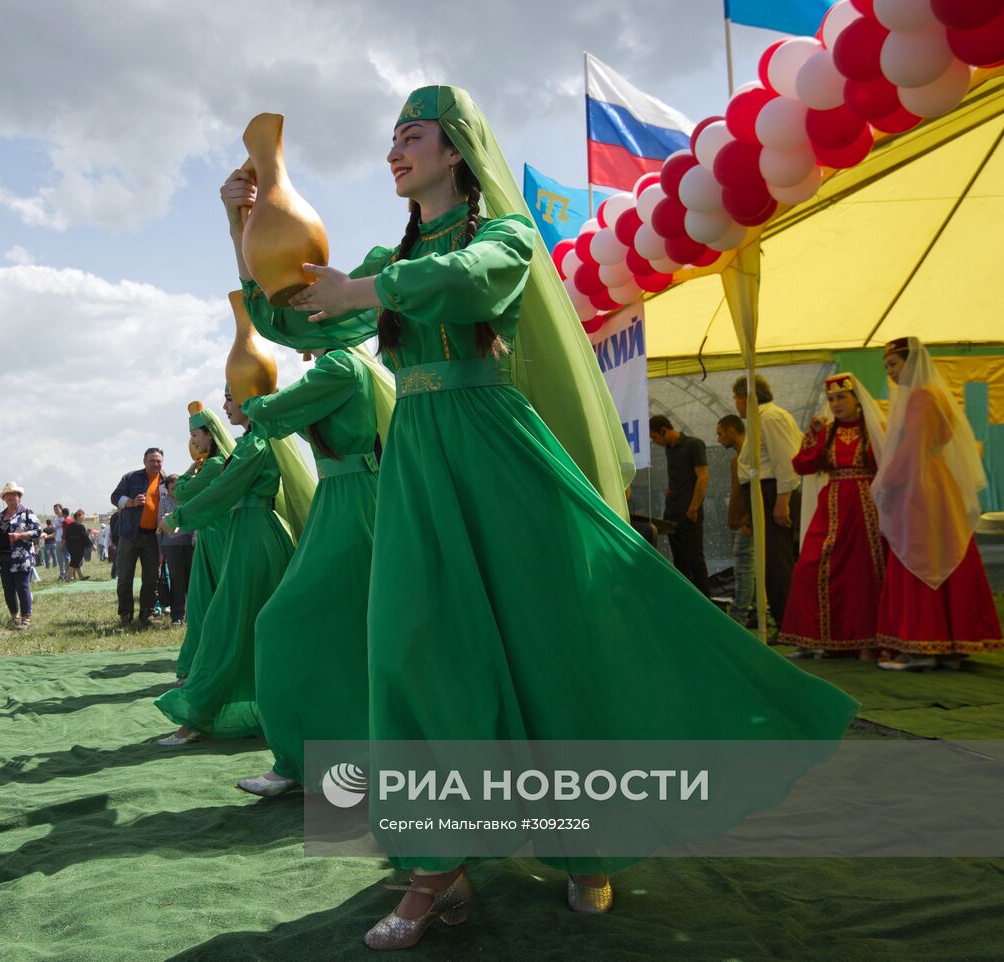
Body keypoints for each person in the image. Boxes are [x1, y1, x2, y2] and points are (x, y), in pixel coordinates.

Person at [237, 85, 858, 945]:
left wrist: (368, 287)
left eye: (410, 135)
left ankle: (589, 847)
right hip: (419, 459)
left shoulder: (507, 233)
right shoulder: (386, 258)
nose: (394, 149)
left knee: (549, 642)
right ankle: (436, 869)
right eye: (391, 137)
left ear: (455, 150)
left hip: (494, 451)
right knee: (415, 649)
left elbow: (471, 281)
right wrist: (251, 243)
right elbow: (303, 320)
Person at [228, 334, 389, 798]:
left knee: (281, 624)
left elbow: (273, 412)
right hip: (341, 503)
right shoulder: (338, 367)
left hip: (354, 506)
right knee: (348, 634)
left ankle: (300, 761)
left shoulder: (338, 366)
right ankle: (322, 759)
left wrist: (249, 398)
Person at [155, 383, 296, 746]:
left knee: (225, 626)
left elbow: (221, 491)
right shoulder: (252, 442)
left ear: (250, 398)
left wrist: (178, 518)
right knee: (247, 626)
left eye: (231, 397)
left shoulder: (253, 445)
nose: (225, 405)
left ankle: (196, 716)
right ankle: (268, 712)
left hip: (252, 539)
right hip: (247, 535)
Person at [874, 337, 1002, 670]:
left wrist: (888, 481)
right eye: (887, 366)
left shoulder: (920, 396)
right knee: (942, 552)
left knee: (918, 554)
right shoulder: (935, 395)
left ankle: (922, 646)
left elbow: (912, 448)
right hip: (936, 481)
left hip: (920, 484)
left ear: (911, 363)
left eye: (893, 364)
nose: (890, 372)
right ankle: (947, 644)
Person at [779, 375, 888, 660]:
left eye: (842, 397)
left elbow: (888, 467)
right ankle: (815, 637)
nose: (836, 404)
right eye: (831, 399)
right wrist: (812, 437)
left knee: (860, 575)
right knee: (808, 567)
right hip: (832, 507)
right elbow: (803, 466)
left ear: (857, 400)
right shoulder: (825, 432)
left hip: (865, 510)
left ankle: (866, 642)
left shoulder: (874, 430)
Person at [171, 404, 237, 681]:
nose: (192, 440)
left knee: (206, 604)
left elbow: (182, 492)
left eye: (196, 434)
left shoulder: (211, 466)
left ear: (210, 435)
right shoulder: (219, 463)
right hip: (217, 536)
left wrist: (190, 467)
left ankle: (199, 668)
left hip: (217, 539)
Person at [733, 374, 803, 630]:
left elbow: (785, 460)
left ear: (745, 398)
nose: (736, 404)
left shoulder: (771, 418)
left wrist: (782, 499)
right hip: (764, 492)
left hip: (773, 492)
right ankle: (786, 622)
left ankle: (789, 625)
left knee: (777, 562)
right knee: (770, 561)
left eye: (736, 399)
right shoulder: (761, 419)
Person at [649, 415, 710, 595]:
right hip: (672, 512)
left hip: (689, 513)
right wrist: (672, 489)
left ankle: (705, 603)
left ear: (663, 431)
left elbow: (703, 476)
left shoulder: (693, 444)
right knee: (680, 561)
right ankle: (687, 599)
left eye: (654, 437)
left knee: (695, 559)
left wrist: (693, 507)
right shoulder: (670, 449)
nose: (654, 442)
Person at [110, 449, 166, 628]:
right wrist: (130, 502)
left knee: (151, 577)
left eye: (159, 461)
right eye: (152, 461)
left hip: (153, 537)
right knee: (125, 575)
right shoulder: (131, 477)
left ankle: (147, 614)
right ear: (144, 461)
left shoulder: (165, 480)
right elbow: (115, 496)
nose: (156, 464)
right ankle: (126, 614)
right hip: (130, 535)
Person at [715, 414, 756, 626]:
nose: (718, 440)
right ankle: (753, 611)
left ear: (732, 431)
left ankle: (739, 615)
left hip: (747, 523)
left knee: (744, 568)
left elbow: (755, 491)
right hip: (742, 521)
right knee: (747, 568)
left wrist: (749, 521)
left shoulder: (751, 456)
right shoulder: (738, 459)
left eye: (720, 434)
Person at [0, 482, 39, 628]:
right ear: (4, 498)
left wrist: (19, 536)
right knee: (8, 588)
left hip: (22, 557)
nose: (11, 497)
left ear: (19, 496)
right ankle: (14, 616)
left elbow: (37, 532)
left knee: (22, 586)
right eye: (8, 494)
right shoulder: (0, 516)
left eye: (14, 494)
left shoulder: (27, 513)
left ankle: (26, 617)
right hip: (4, 557)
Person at [157, 482, 193, 625]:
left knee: (191, 580)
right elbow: (159, 525)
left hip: (190, 544)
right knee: (176, 580)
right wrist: (160, 551)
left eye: (178, 487)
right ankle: (177, 616)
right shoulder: (164, 501)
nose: (176, 491)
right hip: (171, 545)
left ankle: (192, 614)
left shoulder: (188, 498)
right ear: (167, 489)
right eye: (172, 488)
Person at [63, 509, 92, 582]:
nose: (84, 517)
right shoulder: (80, 526)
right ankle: (68, 578)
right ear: (78, 517)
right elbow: (85, 537)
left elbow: (66, 536)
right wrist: (91, 545)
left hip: (70, 546)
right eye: (83, 516)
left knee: (75, 561)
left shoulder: (69, 526)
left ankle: (81, 576)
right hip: (78, 547)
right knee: (74, 562)